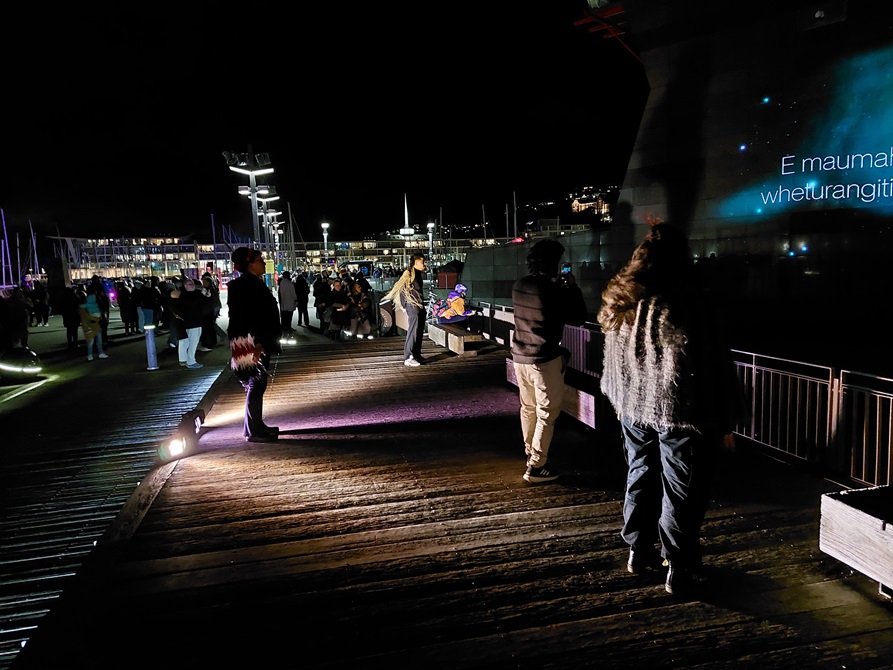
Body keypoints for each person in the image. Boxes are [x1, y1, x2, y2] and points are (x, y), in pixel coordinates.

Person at [597, 222, 747, 596]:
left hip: (632, 406)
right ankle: (680, 566)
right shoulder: (690, 300)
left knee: (640, 472)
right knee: (682, 488)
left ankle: (638, 550)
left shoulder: (622, 300)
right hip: (680, 411)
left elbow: (613, 359)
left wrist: (620, 398)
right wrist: (726, 417)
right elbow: (712, 363)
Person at [511, 238, 587, 484]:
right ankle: (536, 466)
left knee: (528, 408)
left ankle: (530, 454)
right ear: (554, 263)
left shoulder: (519, 285)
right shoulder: (554, 291)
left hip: (520, 356)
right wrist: (572, 288)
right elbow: (578, 318)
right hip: (544, 359)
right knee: (547, 412)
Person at [227, 247, 282, 443]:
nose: (263, 262)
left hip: (253, 340)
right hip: (251, 342)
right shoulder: (244, 286)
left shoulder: (249, 284)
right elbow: (245, 318)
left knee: (256, 384)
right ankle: (255, 430)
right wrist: (257, 344)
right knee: (255, 384)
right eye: (260, 259)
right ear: (250, 264)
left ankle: (254, 426)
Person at [384, 253, 427, 366]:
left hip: (419, 307)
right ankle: (409, 357)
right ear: (416, 263)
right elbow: (401, 290)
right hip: (413, 308)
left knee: (418, 331)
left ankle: (416, 355)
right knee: (413, 331)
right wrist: (404, 305)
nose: (424, 264)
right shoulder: (408, 274)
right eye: (423, 262)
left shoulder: (417, 275)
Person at [171, 277, 208, 369]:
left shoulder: (180, 294)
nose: (193, 286)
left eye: (193, 284)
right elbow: (196, 304)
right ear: (185, 285)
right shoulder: (195, 295)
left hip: (184, 322)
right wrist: (203, 295)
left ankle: (183, 359)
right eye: (190, 284)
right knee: (193, 342)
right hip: (194, 322)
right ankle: (191, 361)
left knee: (184, 341)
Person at [79, 284, 108, 361]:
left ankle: (94, 354)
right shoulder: (92, 307)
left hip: (93, 326)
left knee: (93, 341)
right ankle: (94, 353)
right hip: (92, 325)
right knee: (94, 341)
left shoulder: (84, 307)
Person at [277, 271, 298, 338]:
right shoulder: (290, 284)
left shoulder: (282, 283)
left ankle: (284, 332)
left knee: (284, 319)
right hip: (290, 303)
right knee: (289, 318)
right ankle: (289, 331)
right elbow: (293, 294)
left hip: (283, 304)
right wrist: (296, 299)